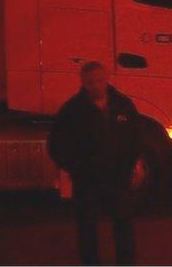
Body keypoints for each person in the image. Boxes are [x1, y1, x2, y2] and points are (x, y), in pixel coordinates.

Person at [48, 61, 143, 265]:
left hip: (118, 178)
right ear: (83, 82)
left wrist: (135, 164)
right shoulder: (72, 111)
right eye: (91, 82)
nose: (96, 85)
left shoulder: (123, 105)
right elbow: (56, 144)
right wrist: (75, 168)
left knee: (124, 227)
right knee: (87, 229)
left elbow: (136, 137)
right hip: (87, 181)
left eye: (99, 80)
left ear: (107, 78)